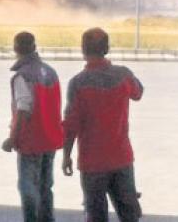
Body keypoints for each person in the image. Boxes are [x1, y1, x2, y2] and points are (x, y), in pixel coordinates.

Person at [61, 28, 144, 222]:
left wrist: (66, 156)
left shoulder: (78, 83)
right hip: (122, 158)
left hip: (92, 163)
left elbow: (70, 125)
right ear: (107, 49)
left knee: (96, 215)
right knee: (129, 215)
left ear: (83, 49)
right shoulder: (123, 75)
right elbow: (138, 93)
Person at [2, 32, 64, 222]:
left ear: (15, 48)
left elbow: (23, 109)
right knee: (46, 187)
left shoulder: (23, 76)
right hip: (50, 139)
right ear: (34, 46)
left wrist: (12, 138)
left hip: (31, 142)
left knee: (28, 188)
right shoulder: (50, 71)